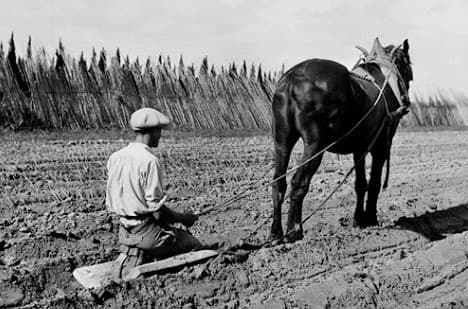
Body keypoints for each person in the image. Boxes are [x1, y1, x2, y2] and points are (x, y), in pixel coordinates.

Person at [105, 107, 203, 276]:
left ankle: (135, 252)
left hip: (124, 231)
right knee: (193, 244)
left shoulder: (116, 157)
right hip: (145, 233)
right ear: (153, 131)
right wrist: (184, 218)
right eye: (160, 131)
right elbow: (158, 213)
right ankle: (150, 255)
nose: (160, 136)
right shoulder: (150, 161)